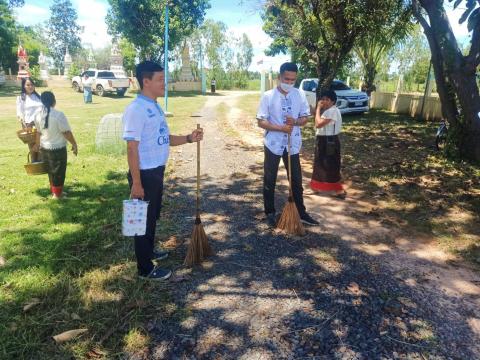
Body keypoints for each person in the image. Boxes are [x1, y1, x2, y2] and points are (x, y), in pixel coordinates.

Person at [123, 60, 204, 281]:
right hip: (144, 174)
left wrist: (188, 138)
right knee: (142, 222)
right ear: (145, 81)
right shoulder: (136, 110)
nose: (164, 83)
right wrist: (137, 183)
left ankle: (148, 251)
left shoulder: (154, 106)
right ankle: (144, 268)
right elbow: (132, 147)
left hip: (156, 172)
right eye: (160, 79)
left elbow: (164, 138)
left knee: (152, 217)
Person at [256, 62, 319, 227]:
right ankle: (270, 212)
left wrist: (296, 121)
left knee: (296, 179)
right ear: (279, 77)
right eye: (286, 79)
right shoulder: (268, 96)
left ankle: (301, 212)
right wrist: (280, 128)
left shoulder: (299, 95)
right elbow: (261, 122)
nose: (289, 83)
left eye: (293, 80)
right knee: (270, 178)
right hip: (273, 144)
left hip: (292, 144)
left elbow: (304, 119)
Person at [33, 91, 78, 199]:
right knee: (59, 171)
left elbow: (38, 132)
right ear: (54, 101)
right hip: (58, 149)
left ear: (42, 101)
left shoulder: (37, 115)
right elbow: (66, 132)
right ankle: (58, 195)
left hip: (45, 148)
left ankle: (55, 192)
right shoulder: (58, 115)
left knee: (51, 170)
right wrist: (74, 144)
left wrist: (37, 144)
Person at [310, 89, 346, 198]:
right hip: (327, 140)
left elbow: (318, 124)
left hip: (328, 141)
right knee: (322, 164)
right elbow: (320, 120)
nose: (324, 101)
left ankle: (338, 190)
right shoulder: (330, 111)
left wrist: (318, 109)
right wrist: (315, 111)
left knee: (330, 165)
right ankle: (317, 187)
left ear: (333, 101)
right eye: (323, 99)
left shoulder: (332, 111)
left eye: (327, 99)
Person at [16, 77, 43, 161]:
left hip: (41, 123)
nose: (30, 86)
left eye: (32, 84)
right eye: (28, 85)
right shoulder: (21, 98)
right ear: (23, 86)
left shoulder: (39, 96)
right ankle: (34, 161)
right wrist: (21, 119)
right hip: (29, 124)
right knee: (32, 143)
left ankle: (41, 161)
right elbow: (19, 111)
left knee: (41, 143)